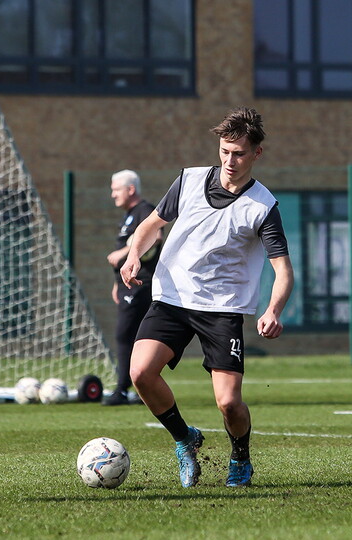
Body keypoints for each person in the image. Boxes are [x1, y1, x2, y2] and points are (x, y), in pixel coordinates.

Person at [120, 107, 293, 488]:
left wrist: (273, 310)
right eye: (225, 151)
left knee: (229, 403)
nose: (231, 160)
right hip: (172, 296)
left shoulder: (263, 206)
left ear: (257, 154)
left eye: (240, 153)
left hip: (223, 308)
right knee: (140, 372)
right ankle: (185, 439)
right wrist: (134, 255)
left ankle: (241, 458)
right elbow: (151, 225)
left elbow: (283, 270)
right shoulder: (189, 180)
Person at [104, 169, 161, 406]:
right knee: (133, 334)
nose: (112, 195)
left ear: (130, 189)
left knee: (125, 333)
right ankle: (139, 390)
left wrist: (124, 253)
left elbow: (156, 236)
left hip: (141, 284)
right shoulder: (128, 215)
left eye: (116, 189)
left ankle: (121, 389)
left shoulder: (144, 210)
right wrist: (117, 284)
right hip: (128, 286)